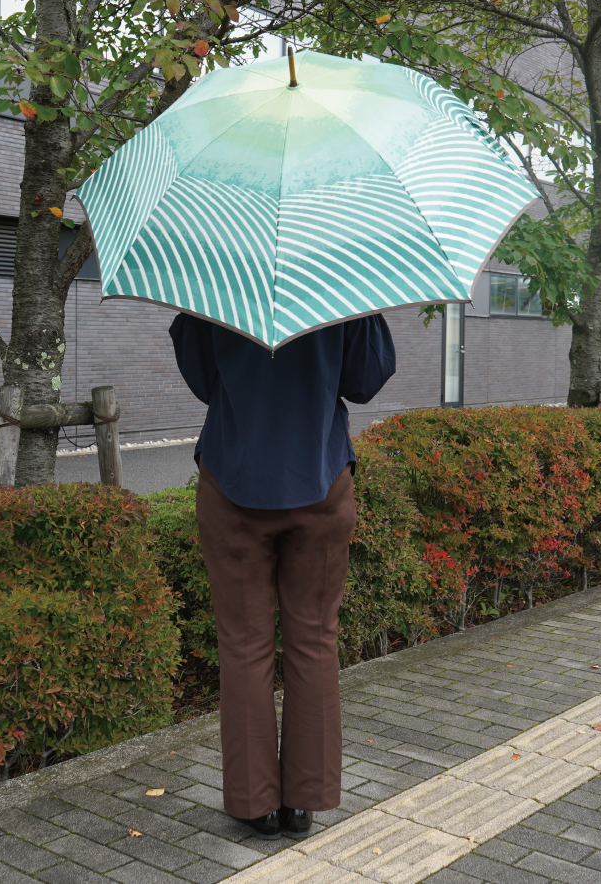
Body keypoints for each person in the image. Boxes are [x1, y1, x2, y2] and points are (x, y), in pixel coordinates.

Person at [169, 312, 396, 840]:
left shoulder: (215, 284)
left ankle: (256, 803)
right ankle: (304, 799)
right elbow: (365, 382)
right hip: (321, 475)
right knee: (315, 640)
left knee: (243, 645)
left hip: (233, 476)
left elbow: (204, 381)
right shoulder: (342, 287)